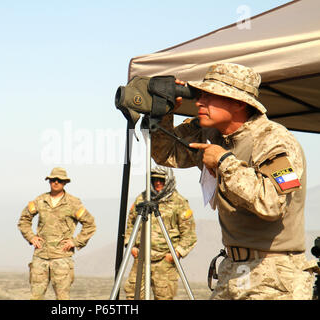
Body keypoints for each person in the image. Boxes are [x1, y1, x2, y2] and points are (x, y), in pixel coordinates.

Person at [150, 62, 317, 300]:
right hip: (232, 268)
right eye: (200, 95)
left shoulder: (275, 141)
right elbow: (165, 153)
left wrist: (224, 163)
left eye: (210, 96)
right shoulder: (213, 134)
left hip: (275, 275)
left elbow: (271, 204)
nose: (198, 102)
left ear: (239, 102)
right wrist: (164, 112)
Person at [18, 167, 96, 300]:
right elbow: (24, 219)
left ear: (65, 183)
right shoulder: (40, 200)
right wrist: (31, 237)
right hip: (40, 256)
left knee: (62, 298)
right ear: (49, 181)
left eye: (59, 180)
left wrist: (75, 242)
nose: (55, 182)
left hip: (61, 258)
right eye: (53, 180)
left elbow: (90, 224)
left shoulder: (73, 203)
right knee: (35, 297)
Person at [123, 165, 196, 300]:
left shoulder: (179, 202)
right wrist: (130, 245)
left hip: (165, 262)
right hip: (141, 258)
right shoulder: (142, 199)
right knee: (133, 296)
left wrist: (176, 254)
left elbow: (189, 234)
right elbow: (130, 223)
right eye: (155, 179)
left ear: (168, 181)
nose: (157, 183)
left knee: (164, 297)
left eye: (161, 180)